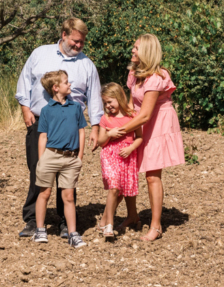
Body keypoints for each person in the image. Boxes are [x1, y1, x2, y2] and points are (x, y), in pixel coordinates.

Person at [15, 17, 102, 238]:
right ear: (64, 35)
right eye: (75, 41)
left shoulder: (86, 64)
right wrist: (25, 109)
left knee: (67, 173)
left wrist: (95, 127)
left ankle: (66, 222)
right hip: (40, 124)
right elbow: (24, 82)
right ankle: (34, 221)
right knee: (38, 170)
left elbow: (94, 98)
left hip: (71, 128)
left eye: (82, 42)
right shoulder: (39, 54)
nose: (79, 46)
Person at [111, 33, 184, 242]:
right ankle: (133, 216)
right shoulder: (134, 74)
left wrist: (120, 131)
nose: (132, 50)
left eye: (136, 47)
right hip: (140, 122)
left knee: (152, 175)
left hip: (157, 123)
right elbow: (133, 104)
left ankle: (156, 226)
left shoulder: (156, 77)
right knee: (129, 168)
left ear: (147, 52)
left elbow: (146, 114)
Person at [32, 69, 87, 247]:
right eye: (66, 82)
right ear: (56, 87)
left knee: (69, 196)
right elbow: (43, 136)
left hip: (70, 158)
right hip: (51, 156)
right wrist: (41, 160)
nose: (69, 84)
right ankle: (40, 230)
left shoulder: (76, 107)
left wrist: (79, 156)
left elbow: (81, 131)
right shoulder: (46, 110)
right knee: (44, 193)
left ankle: (73, 233)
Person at [94, 82, 143, 238]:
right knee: (114, 187)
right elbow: (101, 142)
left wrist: (130, 148)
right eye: (105, 103)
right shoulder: (106, 119)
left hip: (127, 156)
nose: (108, 106)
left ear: (120, 97)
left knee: (121, 191)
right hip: (110, 155)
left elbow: (140, 137)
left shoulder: (133, 116)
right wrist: (109, 134)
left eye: (110, 101)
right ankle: (109, 225)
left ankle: (104, 219)